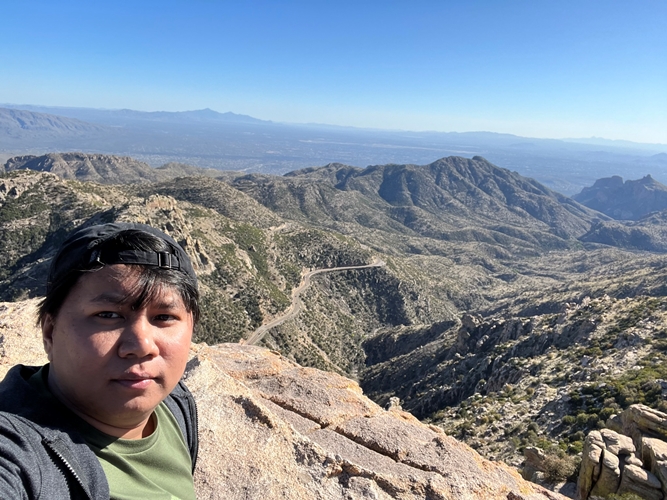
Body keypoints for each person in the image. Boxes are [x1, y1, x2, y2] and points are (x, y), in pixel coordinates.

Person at [0, 222, 199, 499]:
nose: (141, 346)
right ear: (50, 331)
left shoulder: (174, 406)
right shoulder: (17, 451)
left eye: (164, 317)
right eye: (107, 315)